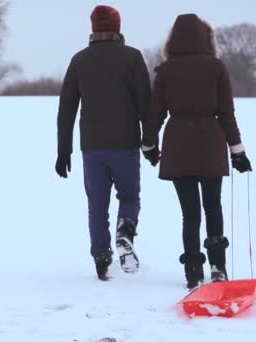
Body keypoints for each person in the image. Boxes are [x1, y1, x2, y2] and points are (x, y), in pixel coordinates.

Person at [141, 14, 252, 291]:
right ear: (207, 39)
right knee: (213, 205)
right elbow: (227, 114)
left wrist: (149, 144)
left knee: (189, 213)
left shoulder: (166, 70)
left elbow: (155, 114)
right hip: (210, 143)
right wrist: (237, 151)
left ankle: (193, 269)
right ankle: (218, 267)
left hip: (178, 144)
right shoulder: (217, 68)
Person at [55, 5, 151, 281]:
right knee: (129, 197)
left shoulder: (79, 60)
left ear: (93, 28)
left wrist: (64, 150)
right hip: (125, 145)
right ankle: (125, 231)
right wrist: (150, 143)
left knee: (97, 205)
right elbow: (145, 104)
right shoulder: (132, 58)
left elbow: (67, 109)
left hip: (92, 148)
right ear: (118, 28)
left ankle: (101, 257)